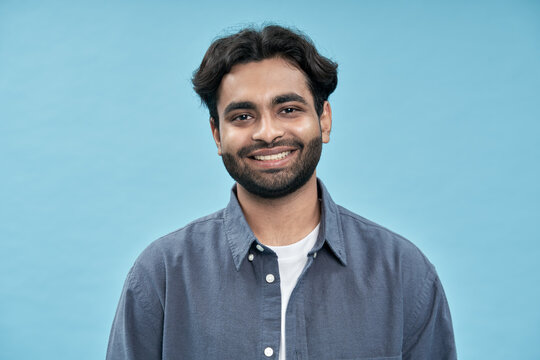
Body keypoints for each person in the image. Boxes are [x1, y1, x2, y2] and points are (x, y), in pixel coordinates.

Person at [106, 25, 456, 360]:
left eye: (288, 110)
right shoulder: (162, 275)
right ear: (216, 134)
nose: (268, 133)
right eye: (242, 116)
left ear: (325, 120)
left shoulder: (404, 274)